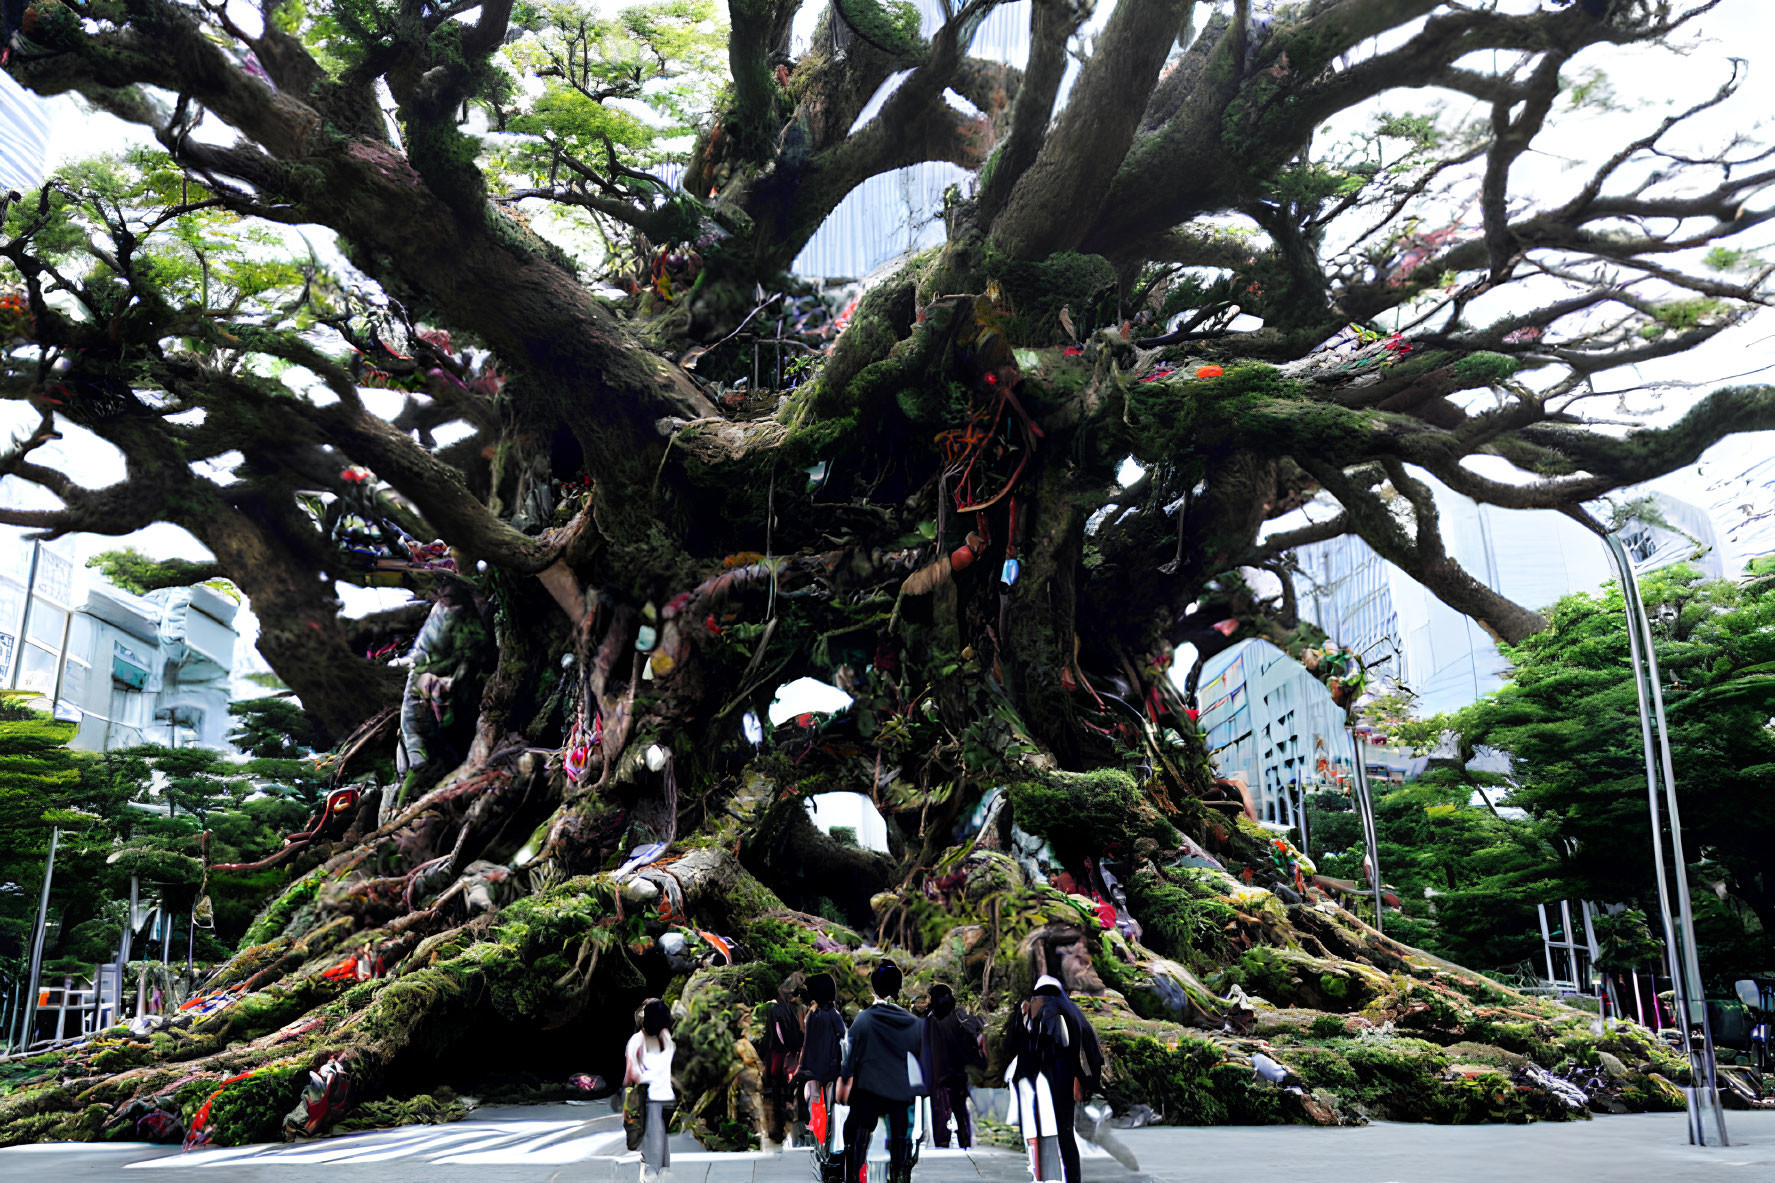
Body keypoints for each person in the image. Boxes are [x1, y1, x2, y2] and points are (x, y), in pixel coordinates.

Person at [1003, 975, 1103, 1183]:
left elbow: (1018, 1045)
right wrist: (1089, 1083)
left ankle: (1041, 1175)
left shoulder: (1036, 1007)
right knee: (1066, 1133)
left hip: (1038, 1081)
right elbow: (1094, 1050)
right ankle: (1071, 1178)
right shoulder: (1074, 1010)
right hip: (1066, 1081)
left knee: (1037, 1131)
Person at [839, 961, 928, 1183]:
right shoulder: (912, 1022)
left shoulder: (864, 1019)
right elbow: (922, 1057)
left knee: (856, 1131)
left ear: (873, 988)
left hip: (868, 1089)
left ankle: (853, 1172)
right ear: (898, 987)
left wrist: (845, 1074)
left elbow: (851, 1057)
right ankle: (899, 1173)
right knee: (900, 1136)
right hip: (899, 1090)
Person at [920, 983, 985, 1149]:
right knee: (960, 1108)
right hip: (959, 1071)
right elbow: (972, 1037)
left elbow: (925, 1049)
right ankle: (964, 1139)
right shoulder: (959, 1016)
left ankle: (942, 1141)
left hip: (939, 1073)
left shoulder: (929, 1020)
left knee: (940, 1109)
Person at [800, 973, 847, 1175]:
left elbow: (809, 1045)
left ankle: (825, 1151)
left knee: (821, 1112)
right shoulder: (832, 1015)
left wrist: (804, 1070)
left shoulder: (816, 1015)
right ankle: (828, 1151)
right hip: (830, 1071)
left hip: (818, 1072)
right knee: (829, 1113)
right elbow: (843, 1042)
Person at [625, 998, 676, 1177]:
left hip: (647, 1098)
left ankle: (650, 1177)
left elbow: (632, 1075)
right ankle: (661, 1174)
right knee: (662, 1146)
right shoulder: (668, 1041)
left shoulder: (637, 1040)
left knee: (649, 1150)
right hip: (667, 1098)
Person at [760, 975, 806, 1147]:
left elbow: (774, 1035)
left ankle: (778, 1131)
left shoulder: (775, 1010)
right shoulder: (796, 1009)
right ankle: (792, 1128)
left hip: (777, 1057)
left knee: (777, 1093)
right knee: (789, 1092)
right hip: (791, 1056)